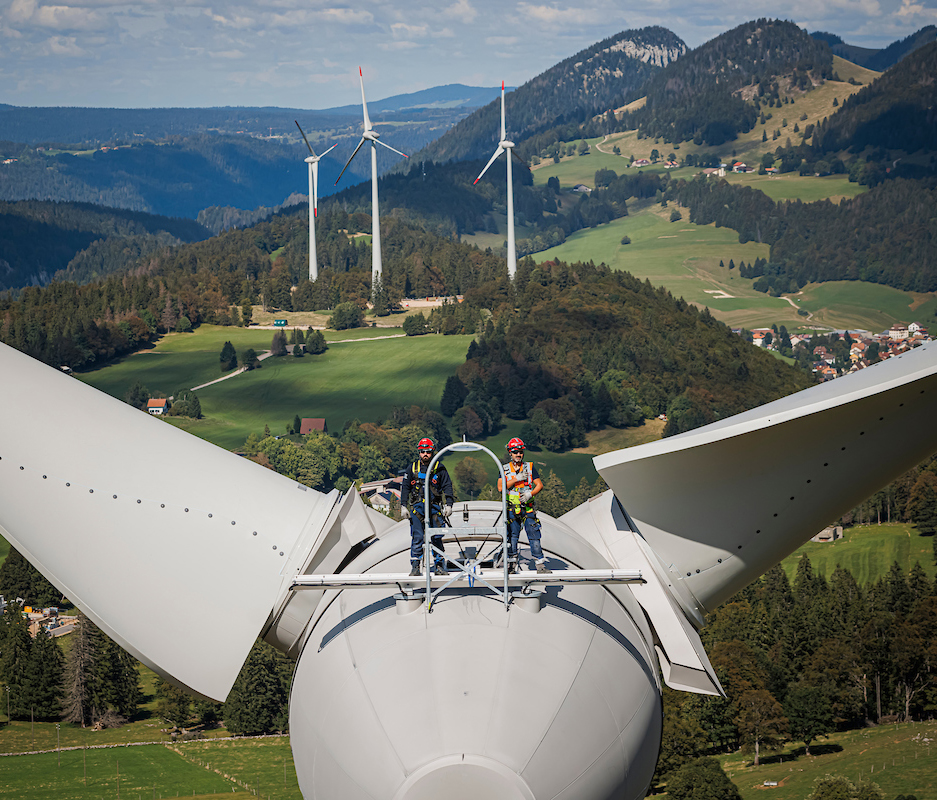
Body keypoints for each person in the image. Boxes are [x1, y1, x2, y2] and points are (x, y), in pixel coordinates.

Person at [498, 437, 551, 574]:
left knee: (534, 535)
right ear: (510, 453)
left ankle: (540, 565)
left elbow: (539, 485)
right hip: (512, 509)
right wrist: (516, 479)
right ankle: (511, 564)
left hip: (527, 507)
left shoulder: (530, 467)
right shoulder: (504, 469)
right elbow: (500, 488)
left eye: (520, 452)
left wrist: (530, 494)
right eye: (515, 452)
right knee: (512, 537)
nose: (518, 454)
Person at [402, 437, 454, 576]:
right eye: (423, 451)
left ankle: (439, 565)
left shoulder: (439, 468)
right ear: (419, 452)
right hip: (417, 508)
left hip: (434, 508)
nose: (425, 454)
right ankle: (415, 566)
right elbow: (406, 488)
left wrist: (449, 504)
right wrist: (403, 505)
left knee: (436, 537)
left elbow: (447, 486)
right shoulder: (412, 468)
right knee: (417, 537)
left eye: (428, 452)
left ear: (433, 452)